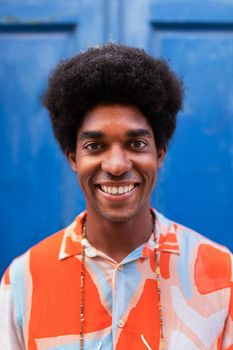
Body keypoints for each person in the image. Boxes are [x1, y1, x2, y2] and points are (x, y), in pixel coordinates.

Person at [0, 44, 232, 350]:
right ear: (72, 157)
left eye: (136, 144)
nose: (117, 165)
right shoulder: (23, 281)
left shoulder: (222, 275)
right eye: (95, 146)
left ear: (159, 153)